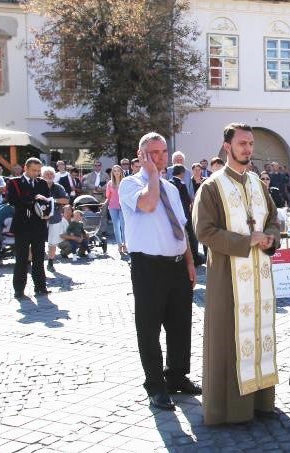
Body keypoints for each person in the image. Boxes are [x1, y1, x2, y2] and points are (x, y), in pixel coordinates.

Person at [192, 123, 281, 424]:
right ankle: (229, 410)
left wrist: (270, 238)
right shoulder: (212, 186)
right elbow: (204, 231)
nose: (248, 148)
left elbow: (273, 219)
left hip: (260, 277)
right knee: (229, 339)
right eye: (242, 143)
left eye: (251, 143)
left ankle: (261, 403)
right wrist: (246, 241)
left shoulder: (258, 183)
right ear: (227, 146)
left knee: (260, 334)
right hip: (228, 278)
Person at [119, 132, 199, 412]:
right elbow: (149, 204)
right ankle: (155, 384)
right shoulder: (130, 184)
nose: (160, 157)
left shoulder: (173, 188)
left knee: (180, 324)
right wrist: (152, 174)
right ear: (141, 155)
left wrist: (190, 261)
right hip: (148, 265)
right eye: (153, 152)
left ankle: (177, 375)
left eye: (163, 152)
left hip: (176, 263)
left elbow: (182, 228)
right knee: (149, 328)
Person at [6, 157, 53, 299]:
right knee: (21, 258)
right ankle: (19, 290)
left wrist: (48, 212)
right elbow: (12, 200)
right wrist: (34, 199)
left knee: (39, 257)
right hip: (22, 225)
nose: (36, 173)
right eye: (33, 170)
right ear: (25, 168)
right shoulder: (14, 182)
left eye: (38, 171)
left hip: (38, 225)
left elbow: (47, 201)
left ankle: (40, 286)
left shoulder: (42, 183)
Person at [170, 164, 202, 266]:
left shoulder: (169, 183)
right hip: (184, 215)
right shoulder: (182, 184)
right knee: (190, 238)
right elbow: (186, 200)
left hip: (173, 216)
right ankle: (194, 259)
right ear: (182, 173)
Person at [41, 166, 69, 271]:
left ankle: (50, 263)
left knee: (52, 242)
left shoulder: (58, 187)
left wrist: (51, 200)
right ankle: (34, 263)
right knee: (36, 242)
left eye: (51, 174)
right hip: (39, 219)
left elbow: (66, 200)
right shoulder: (38, 186)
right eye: (46, 174)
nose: (49, 176)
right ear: (42, 175)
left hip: (54, 218)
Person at [105, 165, 126, 256]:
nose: (116, 172)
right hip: (112, 207)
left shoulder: (125, 182)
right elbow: (108, 196)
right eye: (114, 171)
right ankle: (119, 245)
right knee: (116, 227)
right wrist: (104, 204)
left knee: (123, 225)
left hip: (123, 207)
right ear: (112, 173)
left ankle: (125, 244)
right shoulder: (110, 183)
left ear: (121, 172)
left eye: (118, 171)